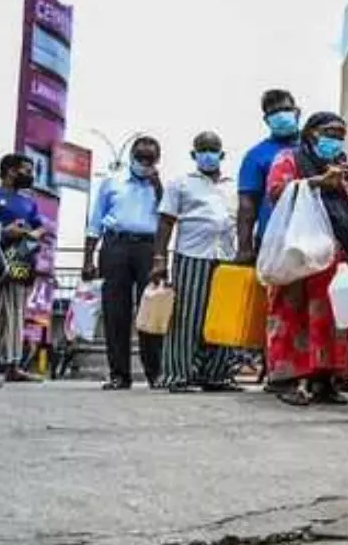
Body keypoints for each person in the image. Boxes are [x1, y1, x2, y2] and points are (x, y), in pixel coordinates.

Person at [264, 112, 348, 406]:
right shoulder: (288, 158)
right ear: (311, 133)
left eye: (341, 135)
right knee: (292, 311)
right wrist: (318, 182)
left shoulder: (340, 166)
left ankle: (324, 380)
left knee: (331, 317)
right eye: (330, 132)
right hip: (298, 250)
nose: (336, 140)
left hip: (333, 249)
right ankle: (285, 378)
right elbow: (278, 192)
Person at [151, 131, 240, 394]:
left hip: (225, 256)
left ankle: (217, 375)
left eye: (213, 149)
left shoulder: (232, 185)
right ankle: (177, 374)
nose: (208, 154)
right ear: (194, 154)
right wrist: (159, 258)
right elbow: (166, 221)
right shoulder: (181, 183)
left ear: (222, 154)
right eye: (203, 149)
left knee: (223, 317)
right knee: (187, 317)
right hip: (191, 255)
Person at [83, 136, 166, 391]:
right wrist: (87, 259)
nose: (144, 162)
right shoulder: (112, 181)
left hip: (148, 248)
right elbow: (95, 221)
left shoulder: (163, 187)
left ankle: (156, 373)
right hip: (115, 245)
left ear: (157, 160)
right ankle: (119, 374)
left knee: (151, 310)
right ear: (131, 156)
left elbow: (170, 218)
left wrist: (158, 186)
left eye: (149, 159)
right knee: (116, 311)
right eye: (139, 157)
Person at [0, 154, 47, 387]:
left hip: (20, 261)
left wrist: (32, 235)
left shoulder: (28, 202)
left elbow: (40, 228)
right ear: (11, 171)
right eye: (26, 170)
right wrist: (5, 231)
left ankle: (13, 366)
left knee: (15, 313)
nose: (30, 175)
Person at [237, 89, 301, 263]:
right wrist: (244, 248)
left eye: (285, 109)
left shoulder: (316, 146)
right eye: (273, 113)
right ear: (266, 120)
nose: (280, 115)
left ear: (297, 112)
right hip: (272, 240)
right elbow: (247, 205)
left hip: (315, 237)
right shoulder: (256, 155)